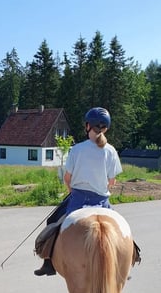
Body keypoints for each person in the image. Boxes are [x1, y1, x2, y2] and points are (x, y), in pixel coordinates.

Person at [34, 106, 122, 276]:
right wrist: (103, 186)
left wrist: (71, 190)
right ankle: (124, 263)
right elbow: (112, 181)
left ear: (87, 126)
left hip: (78, 199)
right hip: (102, 201)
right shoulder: (111, 151)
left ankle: (48, 264)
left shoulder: (77, 149)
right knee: (120, 230)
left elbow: (68, 178)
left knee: (52, 221)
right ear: (106, 128)